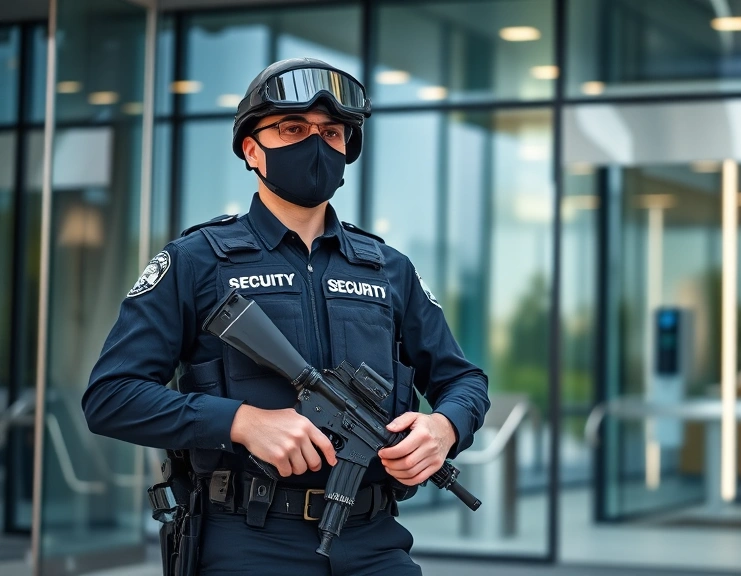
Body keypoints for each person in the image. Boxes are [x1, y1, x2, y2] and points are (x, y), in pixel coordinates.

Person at [82, 58, 490, 576]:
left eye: (333, 133)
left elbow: (464, 379)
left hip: (373, 542)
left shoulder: (388, 268)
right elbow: (111, 396)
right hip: (247, 539)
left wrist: (443, 427)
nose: (316, 145)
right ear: (252, 149)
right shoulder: (197, 260)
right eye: (293, 129)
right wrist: (240, 423)